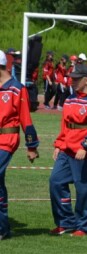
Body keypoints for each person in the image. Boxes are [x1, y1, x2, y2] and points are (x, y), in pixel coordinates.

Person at [49, 64, 87, 236]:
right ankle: (65, 222)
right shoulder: (70, 98)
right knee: (56, 181)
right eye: (72, 78)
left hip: (84, 152)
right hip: (67, 149)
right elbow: (65, 125)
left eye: (76, 78)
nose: (72, 81)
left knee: (84, 189)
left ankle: (83, 226)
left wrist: (85, 146)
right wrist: (59, 144)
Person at [0, 50, 40, 240]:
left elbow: (26, 119)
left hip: (7, 140)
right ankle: (3, 227)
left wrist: (31, 146)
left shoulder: (17, 89)